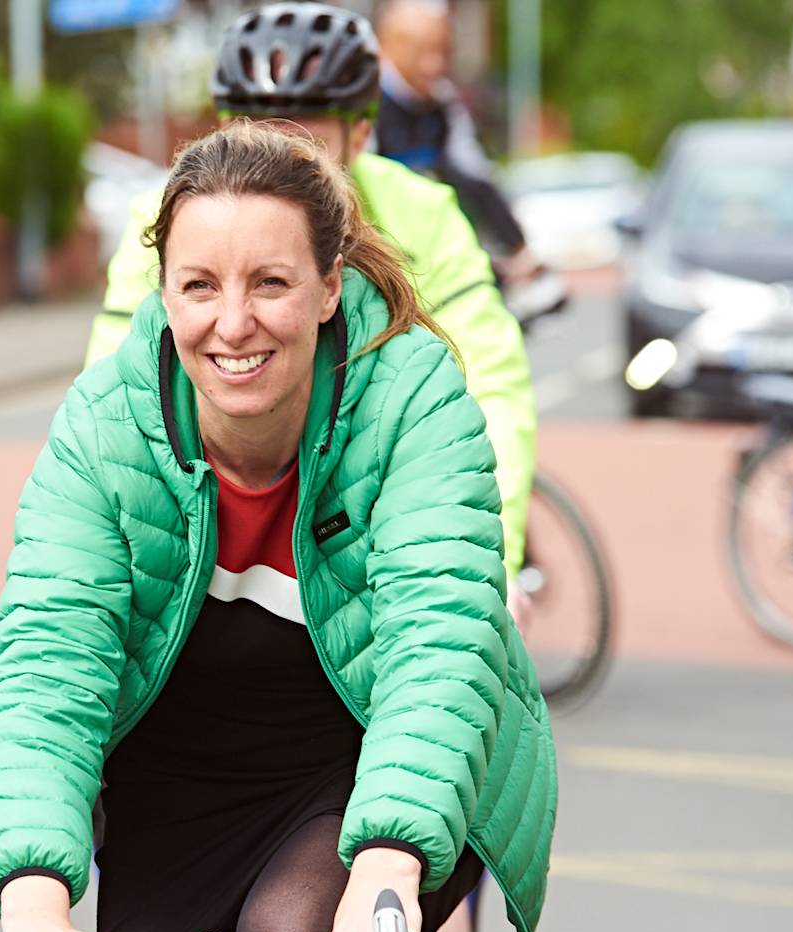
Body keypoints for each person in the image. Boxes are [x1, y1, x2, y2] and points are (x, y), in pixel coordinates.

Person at [0, 120, 557, 932]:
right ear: (162, 293)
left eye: (270, 284)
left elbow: (439, 647)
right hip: (180, 783)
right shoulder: (102, 427)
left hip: (365, 762)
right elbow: (47, 664)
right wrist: (32, 898)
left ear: (328, 286)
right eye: (199, 285)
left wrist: (385, 869)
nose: (231, 324)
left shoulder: (412, 397)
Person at [85, 3, 537, 591]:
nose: (278, 169)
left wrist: (488, 570)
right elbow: (113, 404)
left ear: (361, 135)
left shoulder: (422, 213)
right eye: (256, 138)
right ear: (221, 132)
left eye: (306, 144)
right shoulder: (163, 218)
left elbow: (490, 389)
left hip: (382, 513)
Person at [374, 0, 540, 284]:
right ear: (388, 47)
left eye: (444, 51)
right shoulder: (365, 105)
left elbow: (474, 173)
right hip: (383, 254)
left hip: (439, 249)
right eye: (421, 52)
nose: (435, 64)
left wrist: (518, 246)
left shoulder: (444, 104)